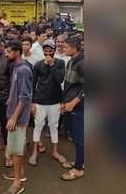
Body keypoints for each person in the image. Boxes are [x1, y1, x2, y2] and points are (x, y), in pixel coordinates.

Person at [28, 40, 69, 168]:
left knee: (53, 126)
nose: (48, 53)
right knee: (38, 125)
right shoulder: (38, 64)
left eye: (50, 51)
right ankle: (35, 152)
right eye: (46, 51)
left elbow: (60, 79)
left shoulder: (61, 63)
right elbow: (33, 84)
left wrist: (51, 65)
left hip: (55, 100)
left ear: (54, 51)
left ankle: (55, 151)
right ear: (43, 51)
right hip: (40, 101)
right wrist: (32, 102)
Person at [1, 40, 32, 194]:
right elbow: (17, 91)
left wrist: (14, 117)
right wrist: (10, 99)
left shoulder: (23, 70)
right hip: (13, 112)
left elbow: (25, 96)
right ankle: (18, 174)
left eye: (9, 52)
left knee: (17, 150)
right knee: (14, 148)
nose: (6, 54)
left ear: (17, 52)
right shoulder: (16, 67)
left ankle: (17, 182)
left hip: (18, 117)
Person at [60, 36, 84, 181]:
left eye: (66, 47)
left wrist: (74, 102)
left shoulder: (83, 64)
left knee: (79, 137)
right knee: (76, 136)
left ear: (75, 48)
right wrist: (64, 102)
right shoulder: (71, 61)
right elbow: (69, 85)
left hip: (78, 107)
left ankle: (79, 168)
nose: (63, 49)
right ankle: (81, 161)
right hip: (69, 104)